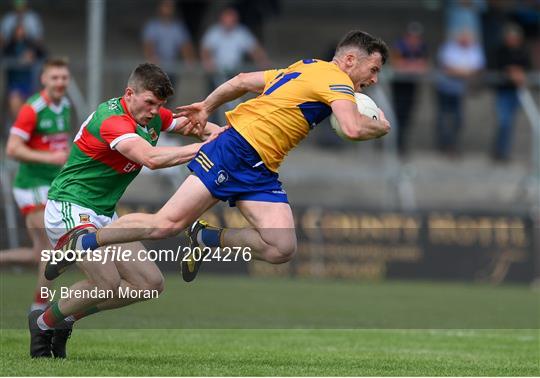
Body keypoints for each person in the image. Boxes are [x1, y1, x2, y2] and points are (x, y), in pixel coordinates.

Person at [49, 30, 390, 287]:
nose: (373, 80)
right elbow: (352, 128)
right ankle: (84, 240)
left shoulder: (306, 68)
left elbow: (242, 80)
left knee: (281, 247)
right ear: (349, 60)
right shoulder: (336, 81)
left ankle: (205, 239)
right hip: (235, 150)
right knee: (167, 224)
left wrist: (207, 106)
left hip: (260, 166)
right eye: (372, 69)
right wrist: (380, 126)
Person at [27, 63, 222, 359]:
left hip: (104, 214)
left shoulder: (151, 116)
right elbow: (151, 158)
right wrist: (204, 150)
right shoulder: (113, 120)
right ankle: (42, 324)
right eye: (150, 103)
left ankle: (64, 319)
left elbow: (196, 127)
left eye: (160, 105)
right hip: (70, 205)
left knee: (150, 284)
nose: (156, 111)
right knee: (107, 283)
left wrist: (230, 136)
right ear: (129, 94)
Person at [2, 57, 71, 317]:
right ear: (43, 79)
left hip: (52, 184)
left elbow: (57, 144)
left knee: (38, 254)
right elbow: (12, 149)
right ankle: (38, 308)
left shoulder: (63, 104)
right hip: (31, 186)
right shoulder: (33, 108)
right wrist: (48, 158)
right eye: (55, 77)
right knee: (52, 251)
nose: (60, 82)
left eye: (64, 77)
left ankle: (39, 306)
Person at [201, 5, 270, 124]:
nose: (230, 20)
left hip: (234, 74)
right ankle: (211, 126)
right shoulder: (214, 32)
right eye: (228, 17)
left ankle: (235, 125)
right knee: (212, 102)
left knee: (234, 102)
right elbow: (205, 50)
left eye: (233, 17)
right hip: (216, 73)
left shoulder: (242, 32)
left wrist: (263, 62)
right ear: (222, 18)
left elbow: (254, 49)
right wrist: (208, 62)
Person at [435, 28, 485, 155]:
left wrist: (459, 72)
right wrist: (464, 72)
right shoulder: (449, 47)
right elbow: (447, 67)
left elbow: (478, 67)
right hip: (444, 89)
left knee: (458, 119)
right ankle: (443, 144)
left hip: (460, 91)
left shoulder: (474, 48)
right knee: (443, 117)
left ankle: (452, 144)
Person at [492, 23, 530, 161]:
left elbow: (527, 68)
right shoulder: (501, 51)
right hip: (503, 91)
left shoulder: (523, 51)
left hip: (517, 92)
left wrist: (518, 73)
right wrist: (511, 71)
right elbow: (497, 66)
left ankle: (504, 151)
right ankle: (500, 151)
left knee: (510, 123)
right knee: (504, 121)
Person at [390, 22, 429, 156]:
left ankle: (402, 145)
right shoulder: (399, 45)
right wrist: (412, 66)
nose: (415, 40)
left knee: (407, 118)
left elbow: (423, 66)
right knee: (397, 116)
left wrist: (409, 66)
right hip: (398, 87)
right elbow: (397, 64)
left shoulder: (421, 47)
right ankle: (395, 145)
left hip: (411, 87)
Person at [142, 0, 195, 93]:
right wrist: (151, 57)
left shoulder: (177, 27)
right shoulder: (153, 25)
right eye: (165, 7)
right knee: (155, 93)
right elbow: (148, 44)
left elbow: (185, 45)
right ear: (160, 8)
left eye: (170, 7)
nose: (168, 10)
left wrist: (188, 59)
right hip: (157, 67)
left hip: (172, 66)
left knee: (169, 94)